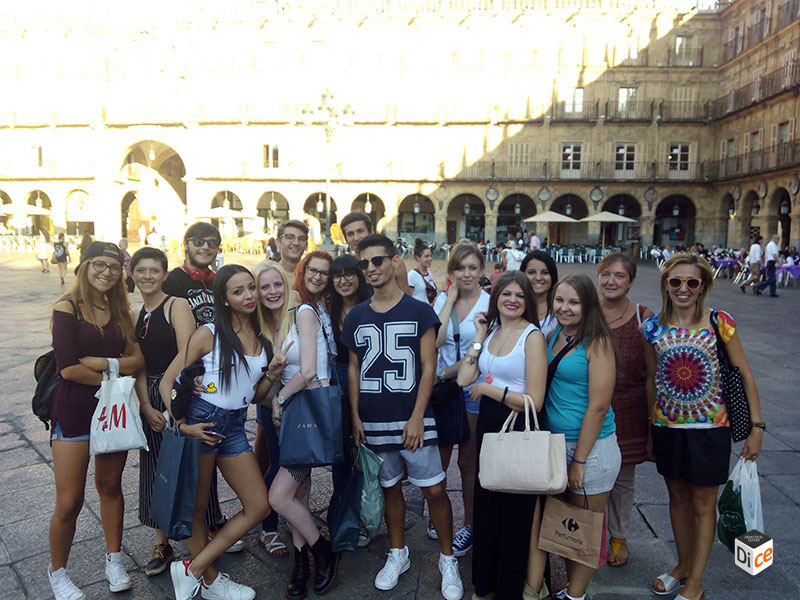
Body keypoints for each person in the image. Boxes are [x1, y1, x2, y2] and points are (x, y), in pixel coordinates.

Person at [342, 234, 463, 600]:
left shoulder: (419, 310)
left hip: (413, 417)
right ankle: (398, 552)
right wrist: (355, 417)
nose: (371, 269)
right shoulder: (357, 315)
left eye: (377, 261)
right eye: (364, 264)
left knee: (435, 489)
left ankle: (447, 558)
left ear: (395, 261)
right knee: (390, 486)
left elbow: (429, 368)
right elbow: (353, 369)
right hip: (374, 419)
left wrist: (417, 416)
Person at [160, 264, 285, 600]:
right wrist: (184, 426)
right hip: (202, 422)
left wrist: (271, 375)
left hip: (233, 426)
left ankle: (194, 568)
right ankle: (212, 580)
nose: (248, 296)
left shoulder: (262, 338)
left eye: (250, 288)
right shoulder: (209, 333)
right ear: (225, 298)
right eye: (237, 291)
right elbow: (167, 382)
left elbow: (255, 395)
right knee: (198, 509)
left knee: (258, 506)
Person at [643, 254, 763, 600]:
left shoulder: (719, 322)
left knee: (702, 503)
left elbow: (745, 374)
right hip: (667, 426)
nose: (683, 288)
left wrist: (757, 427)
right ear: (666, 284)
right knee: (677, 498)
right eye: (676, 281)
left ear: (702, 287)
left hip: (711, 427)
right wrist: (652, 426)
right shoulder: (652, 328)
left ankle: (695, 582)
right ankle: (681, 566)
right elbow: (652, 380)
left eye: (691, 282)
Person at [48, 241, 145, 600]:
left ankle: (114, 559)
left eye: (114, 267)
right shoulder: (67, 308)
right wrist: (117, 377)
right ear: (84, 266)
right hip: (73, 413)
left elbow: (137, 360)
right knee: (69, 501)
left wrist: (106, 365)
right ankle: (58, 572)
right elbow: (69, 368)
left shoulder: (120, 309)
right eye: (99, 265)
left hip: (112, 413)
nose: (106, 273)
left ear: (122, 273)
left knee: (110, 486)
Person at [456, 270, 547, 600]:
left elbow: (535, 401)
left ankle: (510, 587)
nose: (512, 300)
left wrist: (490, 390)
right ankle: (488, 581)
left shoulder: (532, 337)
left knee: (513, 512)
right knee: (488, 505)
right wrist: (479, 335)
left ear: (528, 301)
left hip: (517, 425)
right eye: (506, 294)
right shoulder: (491, 331)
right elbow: (464, 378)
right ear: (495, 298)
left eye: (519, 295)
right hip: (490, 428)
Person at [542, 273, 620, 600]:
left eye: (574, 302)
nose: (565, 307)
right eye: (560, 300)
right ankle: (572, 590)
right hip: (557, 445)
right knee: (564, 524)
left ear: (588, 305)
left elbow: (599, 407)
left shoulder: (597, 342)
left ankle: (575, 595)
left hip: (591, 449)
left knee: (584, 527)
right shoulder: (554, 334)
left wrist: (580, 461)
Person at [269, 251, 341, 599]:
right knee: (300, 492)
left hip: (306, 408)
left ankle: (321, 547)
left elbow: (310, 370)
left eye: (323, 273)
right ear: (302, 272)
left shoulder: (307, 312)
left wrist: (279, 398)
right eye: (311, 270)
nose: (316, 276)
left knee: (278, 496)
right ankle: (301, 564)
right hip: (301, 408)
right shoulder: (297, 314)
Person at [161, 222, 237, 548]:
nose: (206, 247)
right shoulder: (173, 280)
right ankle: (166, 537)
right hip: (183, 373)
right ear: (186, 243)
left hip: (213, 375)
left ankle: (211, 521)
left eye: (212, 242)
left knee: (209, 452)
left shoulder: (217, 280)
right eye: (199, 241)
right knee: (176, 458)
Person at [129, 247, 195, 576]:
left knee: (192, 461)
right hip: (149, 395)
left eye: (155, 270)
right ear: (133, 274)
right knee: (154, 466)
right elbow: (137, 366)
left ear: (165, 274)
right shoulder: (135, 314)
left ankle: (206, 526)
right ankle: (161, 541)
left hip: (178, 390)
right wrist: (145, 405)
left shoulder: (176, 305)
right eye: (141, 270)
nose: (148, 276)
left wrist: (172, 400)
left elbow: (188, 355)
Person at [429, 243, 490, 557]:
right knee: (438, 459)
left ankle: (469, 525)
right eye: (459, 268)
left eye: (472, 267)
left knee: (468, 463)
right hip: (445, 393)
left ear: (482, 270)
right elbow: (433, 340)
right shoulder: (443, 299)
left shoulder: (489, 303)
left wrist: (443, 373)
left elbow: (480, 355)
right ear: (450, 272)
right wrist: (449, 298)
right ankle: (438, 514)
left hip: (475, 391)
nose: (467, 274)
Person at [596, 253, 654, 567]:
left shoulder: (644, 316)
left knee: (622, 479)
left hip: (630, 409)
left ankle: (618, 536)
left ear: (631, 281)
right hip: (591, 407)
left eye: (619, 276)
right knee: (587, 475)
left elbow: (652, 372)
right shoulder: (588, 312)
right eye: (606, 274)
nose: (611, 281)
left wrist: (652, 421)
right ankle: (589, 535)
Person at [327, 254, 373, 547]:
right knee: (339, 453)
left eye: (348, 274)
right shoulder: (326, 310)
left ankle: (365, 515)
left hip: (368, 381)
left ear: (359, 276)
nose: (342, 280)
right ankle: (342, 514)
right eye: (336, 275)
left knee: (364, 450)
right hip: (335, 382)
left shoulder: (370, 307)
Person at [250, 260, 293, 559]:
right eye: (265, 286)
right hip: (269, 405)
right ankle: (268, 526)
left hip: (298, 402)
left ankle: (289, 510)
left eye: (277, 284)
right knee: (277, 465)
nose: (272, 291)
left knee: (296, 467)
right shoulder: (255, 327)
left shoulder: (296, 317)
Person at [340, 211, 411, 294]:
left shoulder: (394, 264)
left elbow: (406, 298)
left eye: (360, 231)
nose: (356, 238)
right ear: (346, 239)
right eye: (350, 234)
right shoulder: (348, 267)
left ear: (371, 232)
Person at [521, 250, 559, 337]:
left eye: (545, 273)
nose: (538, 278)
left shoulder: (561, 311)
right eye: (531, 272)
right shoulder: (514, 307)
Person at [277, 220, 310, 290]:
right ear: (278, 242)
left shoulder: (311, 277)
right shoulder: (268, 274)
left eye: (301, 239)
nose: (296, 243)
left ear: (306, 245)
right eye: (290, 237)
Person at [408, 238, 437, 304]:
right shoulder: (412, 275)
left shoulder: (429, 273)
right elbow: (408, 299)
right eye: (426, 256)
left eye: (430, 256)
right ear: (418, 257)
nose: (430, 258)